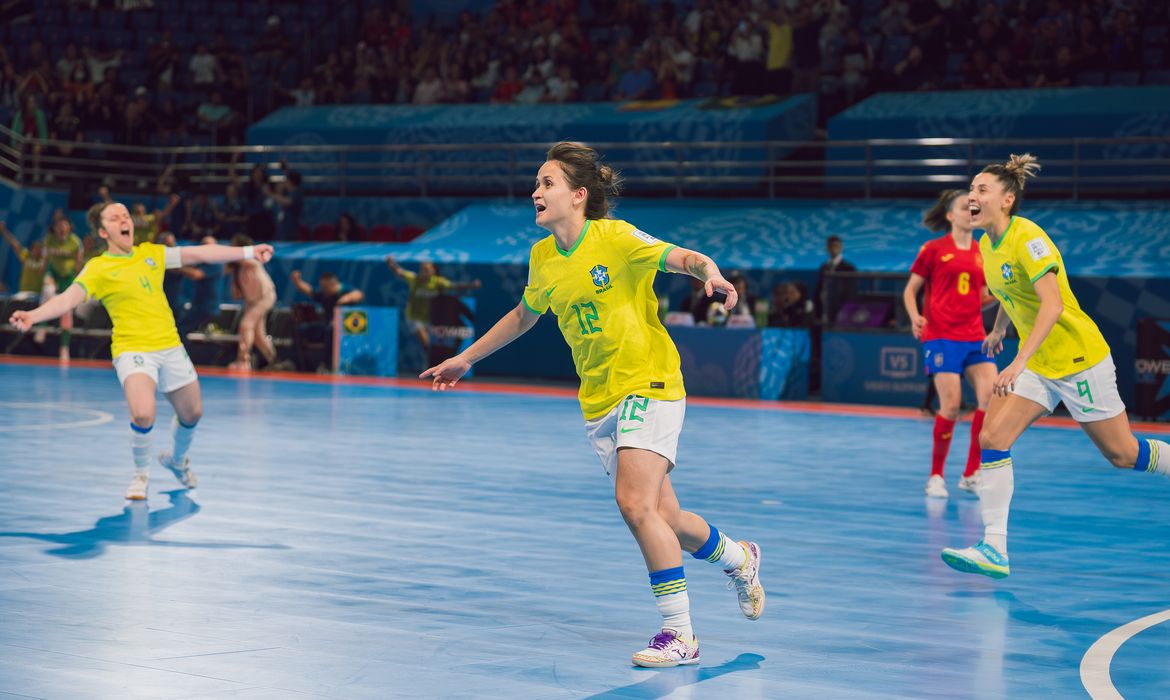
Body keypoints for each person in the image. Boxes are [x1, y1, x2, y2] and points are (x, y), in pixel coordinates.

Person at [421, 141, 764, 668]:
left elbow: (683, 258)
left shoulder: (616, 237)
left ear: (579, 195)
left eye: (547, 183)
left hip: (648, 382)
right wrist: (465, 358)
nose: (535, 192)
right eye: (536, 184)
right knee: (666, 517)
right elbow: (524, 315)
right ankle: (739, 558)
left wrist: (710, 274)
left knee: (634, 505)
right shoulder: (543, 257)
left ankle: (679, 634)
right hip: (599, 400)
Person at [940, 155, 1170, 579]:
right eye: (971, 189)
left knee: (1122, 454)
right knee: (992, 436)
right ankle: (994, 548)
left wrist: (1018, 360)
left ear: (1007, 200)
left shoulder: (1029, 237)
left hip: (1078, 360)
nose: (972, 195)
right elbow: (1013, 293)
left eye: (981, 189)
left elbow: (1052, 304)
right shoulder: (987, 245)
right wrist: (999, 328)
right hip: (1040, 364)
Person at [8, 201, 275, 500]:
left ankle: (177, 460)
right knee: (143, 414)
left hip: (169, 345)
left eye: (126, 215)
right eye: (115, 217)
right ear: (103, 232)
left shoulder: (151, 253)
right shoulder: (98, 267)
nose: (124, 219)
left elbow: (201, 253)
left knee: (192, 414)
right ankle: (140, 476)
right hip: (132, 348)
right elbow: (68, 299)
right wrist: (33, 316)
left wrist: (248, 252)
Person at [903, 189, 997, 499]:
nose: (971, 211)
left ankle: (971, 474)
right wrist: (915, 316)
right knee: (952, 406)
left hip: (974, 335)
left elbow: (981, 297)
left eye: (974, 207)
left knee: (990, 398)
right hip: (941, 335)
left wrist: (1006, 294)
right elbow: (910, 290)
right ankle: (936, 476)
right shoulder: (933, 249)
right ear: (950, 215)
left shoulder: (983, 251)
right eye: (964, 207)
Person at [386, 255, 480, 357]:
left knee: (438, 344)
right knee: (427, 343)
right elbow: (399, 272)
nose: (424, 272)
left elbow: (454, 286)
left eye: (427, 269)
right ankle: (433, 362)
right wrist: (391, 263)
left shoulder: (438, 282)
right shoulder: (414, 279)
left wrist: (472, 285)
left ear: (433, 271)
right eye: (423, 269)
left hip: (430, 318)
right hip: (414, 317)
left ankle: (433, 361)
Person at [290, 270, 364, 371]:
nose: (322, 289)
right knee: (301, 329)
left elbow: (359, 294)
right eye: (321, 286)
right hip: (327, 326)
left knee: (331, 330)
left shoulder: (345, 290)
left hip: (347, 330)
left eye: (325, 287)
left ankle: (328, 365)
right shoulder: (323, 294)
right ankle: (296, 363)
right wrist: (297, 282)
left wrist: (347, 298)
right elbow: (309, 290)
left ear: (333, 284)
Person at [225, 234, 278, 371]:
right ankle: (274, 361)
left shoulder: (252, 259)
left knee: (245, 324)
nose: (231, 247)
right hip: (251, 301)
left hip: (265, 297)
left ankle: (243, 361)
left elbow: (243, 260)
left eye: (234, 245)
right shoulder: (238, 269)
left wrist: (228, 256)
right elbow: (236, 294)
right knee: (259, 336)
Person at [43, 216, 84, 361]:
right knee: (48, 291)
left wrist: (76, 283)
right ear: (54, 228)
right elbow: (45, 260)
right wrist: (47, 276)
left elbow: (79, 264)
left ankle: (64, 347)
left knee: (66, 312)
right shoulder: (49, 240)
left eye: (64, 225)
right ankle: (42, 326)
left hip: (68, 277)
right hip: (53, 275)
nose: (61, 228)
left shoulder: (75, 242)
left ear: (69, 227)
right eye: (58, 225)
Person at [1, 220, 48, 296]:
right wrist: (3, 230)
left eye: (39, 248)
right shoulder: (26, 256)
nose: (37, 250)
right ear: (31, 249)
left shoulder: (45, 259)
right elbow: (14, 243)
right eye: (35, 248)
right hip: (24, 293)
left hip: (38, 294)